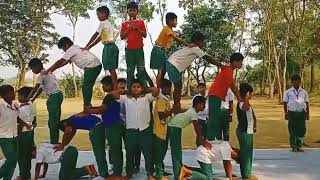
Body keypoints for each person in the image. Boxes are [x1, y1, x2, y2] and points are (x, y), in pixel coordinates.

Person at [112, 78, 160, 179]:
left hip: (145, 130)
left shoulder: (147, 97)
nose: (136, 88)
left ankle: (150, 173)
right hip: (130, 131)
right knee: (129, 153)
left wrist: (144, 90)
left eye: (138, 87)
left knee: (148, 154)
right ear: (130, 88)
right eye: (134, 87)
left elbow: (156, 90)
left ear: (141, 88)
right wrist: (127, 91)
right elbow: (114, 93)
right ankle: (129, 173)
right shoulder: (126, 98)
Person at [165, 31, 222, 112]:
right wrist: (219, 64)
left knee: (178, 86)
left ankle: (176, 106)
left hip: (173, 64)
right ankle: (176, 107)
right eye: (202, 42)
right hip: (173, 64)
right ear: (197, 41)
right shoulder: (195, 48)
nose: (203, 44)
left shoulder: (192, 47)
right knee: (178, 85)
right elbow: (207, 57)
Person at [42, 37, 102, 109]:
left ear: (66, 45)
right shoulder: (75, 47)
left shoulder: (70, 50)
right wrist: (52, 70)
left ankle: (87, 106)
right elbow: (65, 62)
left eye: (63, 48)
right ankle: (88, 105)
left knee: (86, 87)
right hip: (96, 65)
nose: (64, 51)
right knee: (87, 86)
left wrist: (47, 70)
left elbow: (60, 61)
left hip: (91, 66)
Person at [84, 76, 125, 178]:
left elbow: (102, 109)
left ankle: (117, 173)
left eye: (103, 85)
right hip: (114, 124)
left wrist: (89, 110)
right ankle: (117, 171)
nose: (102, 87)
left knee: (115, 150)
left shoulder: (110, 96)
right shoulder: (113, 95)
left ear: (108, 85)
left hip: (112, 125)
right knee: (116, 149)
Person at [168, 96, 211, 180]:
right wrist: (202, 141)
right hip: (174, 128)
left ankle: (180, 170)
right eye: (203, 104)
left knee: (177, 151)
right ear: (198, 105)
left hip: (175, 127)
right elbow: (197, 128)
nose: (205, 106)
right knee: (176, 152)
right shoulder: (193, 113)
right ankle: (177, 175)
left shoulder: (192, 111)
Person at [56, 114, 109, 179]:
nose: (68, 130)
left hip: (96, 127)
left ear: (64, 124)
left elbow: (67, 133)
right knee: (100, 152)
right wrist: (64, 145)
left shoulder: (69, 122)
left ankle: (103, 174)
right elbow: (71, 134)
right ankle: (103, 172)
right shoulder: (73, 121)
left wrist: (61, 145)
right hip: (99, 125)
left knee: (99, 152)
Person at [207, 53, 244, 141]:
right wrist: (239, 97)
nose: (242, 64)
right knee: (214, 119)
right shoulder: (228, 70)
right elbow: (232, 85)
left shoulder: (229, 70)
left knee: (216, 118)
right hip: (215, 95)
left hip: (217, 96)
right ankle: (212, 139)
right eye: (241, 62)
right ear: (235, 62)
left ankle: (216, 139)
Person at [27, 58, 63, 144]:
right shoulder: (48, 72)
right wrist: (33, 99)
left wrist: (27, 99)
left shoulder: (41, 75)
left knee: (52, 121)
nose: (32, 71)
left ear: (37, 66)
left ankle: (54, 141)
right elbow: (40, 89)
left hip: (53, 97)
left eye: (32, 69)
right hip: (58, 95)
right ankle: (55, 139)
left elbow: (35, 89)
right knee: (55, 119)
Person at [150, 12, 190, 86]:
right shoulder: (166, 29)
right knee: (160, 70)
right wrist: (188, 45)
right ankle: (158, 89)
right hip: (158, 49)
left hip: (162, 50)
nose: (176, 23)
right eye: (175, 21)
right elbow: (177, 39)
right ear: (170, 21)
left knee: (164, 70)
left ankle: (161, 88)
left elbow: (178, 39)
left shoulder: (172, 31)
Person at [84, 6, 119, 88]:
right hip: (111, 46)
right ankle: (115, 86)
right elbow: (99, 38)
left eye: (98, 14)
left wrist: (86, 46)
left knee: (111, 69)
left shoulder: (103, 23)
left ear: (104, 14)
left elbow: (95, 35)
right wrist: (89, 47)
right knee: (111, 69)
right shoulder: (108, 23)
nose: (97, 16)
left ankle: (115, 87)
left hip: (109, 47)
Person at [120, 1, 148, 89]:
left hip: (139, 49)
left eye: (134, 10)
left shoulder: (141, 22)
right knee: (130, 69)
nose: (132, 12)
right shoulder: (124, 24)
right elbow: (122, 37)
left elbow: (145, 35)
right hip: (129, 50)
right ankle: (129, 88)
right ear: (127, 12)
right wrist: (128, 29)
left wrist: (137, 29)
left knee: (141, 69)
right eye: (130, 10)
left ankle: (143, 86)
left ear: (137, 12)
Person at [33, 143, 98, 180]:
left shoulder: (38, 152)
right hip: (72, 150)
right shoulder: (41, 146)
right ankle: (89, 169)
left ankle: (86, 169)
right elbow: (45, 163)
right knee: (69, 172)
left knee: (64, 177)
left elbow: (38, 166)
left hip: (67, 154)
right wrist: (44, 175)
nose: (33, 157)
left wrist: (35, 179)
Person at [236, 83, 258, 180]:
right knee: (246, 154)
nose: (251, 95)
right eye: (250, 93)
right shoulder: (241, 103)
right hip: (244, 132)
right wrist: (246, 97)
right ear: (247, 93)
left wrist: (254, 124)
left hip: (248, 131)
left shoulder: (246, 102)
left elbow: (251, 114)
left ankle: (247, 173)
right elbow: (245, 109)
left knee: (248, 153)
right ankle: (246, 175)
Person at [283, 74, 309, 152]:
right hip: (291, 113)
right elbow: (285, 103)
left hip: (301, 113)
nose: (296, 83)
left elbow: (307, 103)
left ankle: (299, 146)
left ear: (300, 82)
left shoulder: (304, 92)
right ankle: (293, 146)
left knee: (301, 129)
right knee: (292, 129)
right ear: (292, 82)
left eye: (298, 81)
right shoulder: (288, 92)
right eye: (294, 81)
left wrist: (307, 113)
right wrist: (286, 113)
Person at [153, 78, 173, 180]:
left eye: (169, 87)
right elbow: (161, 116)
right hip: (159, 131)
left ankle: (161, 170)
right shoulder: (161, 100)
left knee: (163, 152)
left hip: (165, 130)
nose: (168, 89)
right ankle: (159, 174)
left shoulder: (166, 99)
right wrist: (172, 110)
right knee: (159, 153)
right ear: (161, 88)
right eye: (166, 87)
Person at [16, 87, 35, 180]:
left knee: (21, 156)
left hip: (23, 134)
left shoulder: (22, 110)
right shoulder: (30, 104)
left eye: (19, 95)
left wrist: (17, 136)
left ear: (23, 96)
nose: (17, 97)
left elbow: (19, 124)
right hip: (30, 133)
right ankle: (26, 175)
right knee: (27, 156)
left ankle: (23, 176)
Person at [0, 85, 18, 180]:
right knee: (11, 159)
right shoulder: (0, 106)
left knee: (13, 162)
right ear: (3, 95)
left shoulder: (15, 104)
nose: (13, 94)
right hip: (4, 138)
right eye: (10, 93)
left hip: (15, 136)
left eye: (13, 92)